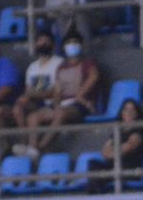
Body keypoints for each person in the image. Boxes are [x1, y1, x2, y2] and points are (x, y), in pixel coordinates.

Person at [14, 30, 99, 160]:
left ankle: (40, 148)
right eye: (69, 43)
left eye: (75, 42)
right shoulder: (62, 67)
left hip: (80, 105)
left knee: (60, 113)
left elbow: (93, 77)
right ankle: (32, 146)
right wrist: (56, 104)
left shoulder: (88, 64)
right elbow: (58, 90)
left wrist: (80, 96)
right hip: (63, 104)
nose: (72, 45)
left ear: (81, 45)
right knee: (33, 117)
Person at [0, 30, 62, 133]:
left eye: (47, 41)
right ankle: (19, 139)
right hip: (35, 103)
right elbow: (28, 89)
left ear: (52, 44)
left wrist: (33, 94)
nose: (43, 43)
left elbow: (56, 90)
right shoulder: (32, 67)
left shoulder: (59, 63)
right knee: (7, 110)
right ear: (36, 44)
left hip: (51, 103)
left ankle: (25, 139)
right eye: (40, 40)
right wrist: (24, 98)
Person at [86, 99, 143, 194]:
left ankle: (97, 193)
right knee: (93, 164)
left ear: (136, 114)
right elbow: (105, 151)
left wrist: (113, 152)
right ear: (122, 113)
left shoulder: (137, 133)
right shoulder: (117, 132)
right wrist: (115, 152)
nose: (129, 113)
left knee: (101, 176)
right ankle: (95, 194)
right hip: (113, 166)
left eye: (132, 110)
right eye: (126, 109)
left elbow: (127, 147)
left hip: (128, 168)